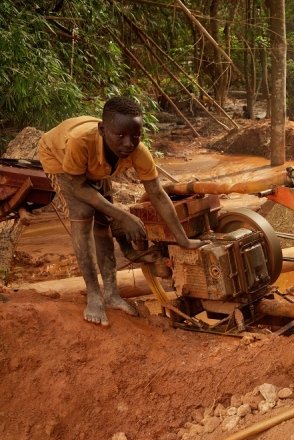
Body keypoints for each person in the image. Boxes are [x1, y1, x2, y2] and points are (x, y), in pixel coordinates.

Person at [38, 96, 205, 326]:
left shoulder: (136, 150)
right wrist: (123, 215)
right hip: (59, 157)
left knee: (103, 224)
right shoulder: (79, 142)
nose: (128, 143)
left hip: (97, 168)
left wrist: (182, 239)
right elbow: (78, 187)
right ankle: (94, 295)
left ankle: (111, 293)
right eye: (121, 136)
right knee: (84, 213)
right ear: (102, 130)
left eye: (135, 136)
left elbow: (157, 194)